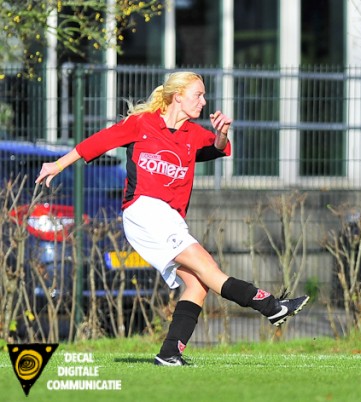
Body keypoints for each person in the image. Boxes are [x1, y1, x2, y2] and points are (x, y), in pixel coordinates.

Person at [35, 71, 309, 366]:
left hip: (168, 219)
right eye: (198, 95)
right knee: (210, 269)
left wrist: (221, 133)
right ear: (177, 96)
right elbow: (97, 143)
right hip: (144, 211)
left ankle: (169, 354)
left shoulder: (193, 134)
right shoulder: (141, 124)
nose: (203, 101)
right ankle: (272, 306)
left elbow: (217, 148)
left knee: (197, 284)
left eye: (204, 96)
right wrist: (57, 165)